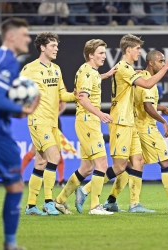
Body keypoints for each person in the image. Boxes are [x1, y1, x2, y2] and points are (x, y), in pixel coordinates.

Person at [77, 50, 168, 213]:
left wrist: (164, 108)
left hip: (135, 126)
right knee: (165, 162)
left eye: (164, 61)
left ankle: (111, 200)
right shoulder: (145, 79)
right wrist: (164, 121)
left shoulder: (141, 76)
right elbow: (147, 106)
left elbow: (147, 103)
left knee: (130, 166)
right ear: (151, 62)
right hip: (145, 128)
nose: (163, 63)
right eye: (160, 61)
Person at [0, 18, 39, 250]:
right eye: (24, 34)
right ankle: (10, 244)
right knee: (15, 186)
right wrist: (23, 109)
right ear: (11, 36)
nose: (28, 39)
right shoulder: (9, 62)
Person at [53, 39, 116, 215]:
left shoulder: (91, 72)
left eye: (104, 52)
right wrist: (100, 114)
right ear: (91, 55)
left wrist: (106, 75)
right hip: (88, 120)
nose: (104, 56)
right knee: (102, 163)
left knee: (87, 168)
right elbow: (83, 98)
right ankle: (95, 206)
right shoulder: (88, 72)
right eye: (101, 53)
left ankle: (60, 201)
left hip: (87, 121)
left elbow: (92, 82)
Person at [20, 32, 77, 216]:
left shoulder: (56, 69)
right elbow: (17, 91)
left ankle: (30, 206)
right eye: (53, 45)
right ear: (42, 47)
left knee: (41, 161)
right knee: (54, 157)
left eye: (57, 46)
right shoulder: (29, 69)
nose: (56, 49)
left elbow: (62, 95)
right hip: (38, 121)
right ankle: (48, 202)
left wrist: (75, 96)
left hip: (53, 123)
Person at [20, 101, 67, 188]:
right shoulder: (38, 88)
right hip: (41, 121)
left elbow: (63, 104)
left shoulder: (60, 87)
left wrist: (56, 114)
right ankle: (19, 177)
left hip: (54, 122)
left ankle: (61, 180)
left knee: (57, 154)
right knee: (35, 152)